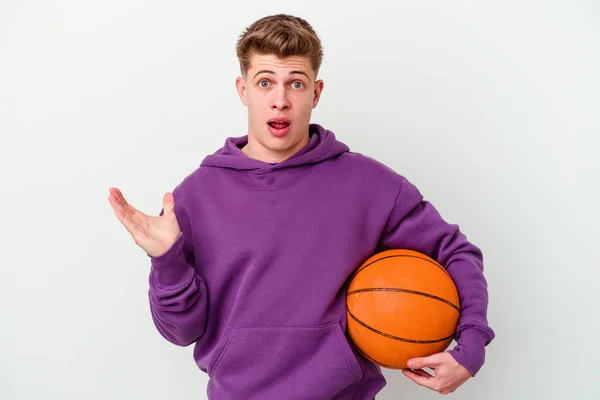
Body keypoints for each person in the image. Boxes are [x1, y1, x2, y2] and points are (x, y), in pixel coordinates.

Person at [108, 14, 495, 399]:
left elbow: (455, 251)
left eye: (296, 83)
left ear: (316, 92)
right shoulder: (194, 197)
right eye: (265, 83)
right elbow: (181, 331)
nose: (280, 100)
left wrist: (471, 346)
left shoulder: (369, 185)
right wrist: (167, 260)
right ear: (243, 90)